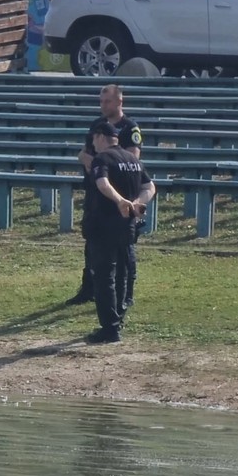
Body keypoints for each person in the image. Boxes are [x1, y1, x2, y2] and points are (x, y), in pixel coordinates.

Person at [66, 84, 143, 306]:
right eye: (101, 101)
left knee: (124, 247)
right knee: (92, 240)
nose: (103, 105)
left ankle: (126, 294)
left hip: (121, 195)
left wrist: (103, 164)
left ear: (119, 101)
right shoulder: (97, 125)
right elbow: (83, 154)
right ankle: (88, 288)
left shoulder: (130, 128)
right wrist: (96, 163)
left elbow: (133, 158)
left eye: (107, 101)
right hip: (96, 192)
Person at [85, 122, 155, 343]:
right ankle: (119, 318)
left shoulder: (102, 159)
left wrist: (119, 201)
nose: (92, 144)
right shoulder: (132, 159)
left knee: (104, 276)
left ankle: (110, 328)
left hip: (103, 225)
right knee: (122, 274)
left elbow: (102, 183)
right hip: (127, 225)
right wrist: (137, 203)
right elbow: (150, 187)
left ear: (100, 137)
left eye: (93, 139)